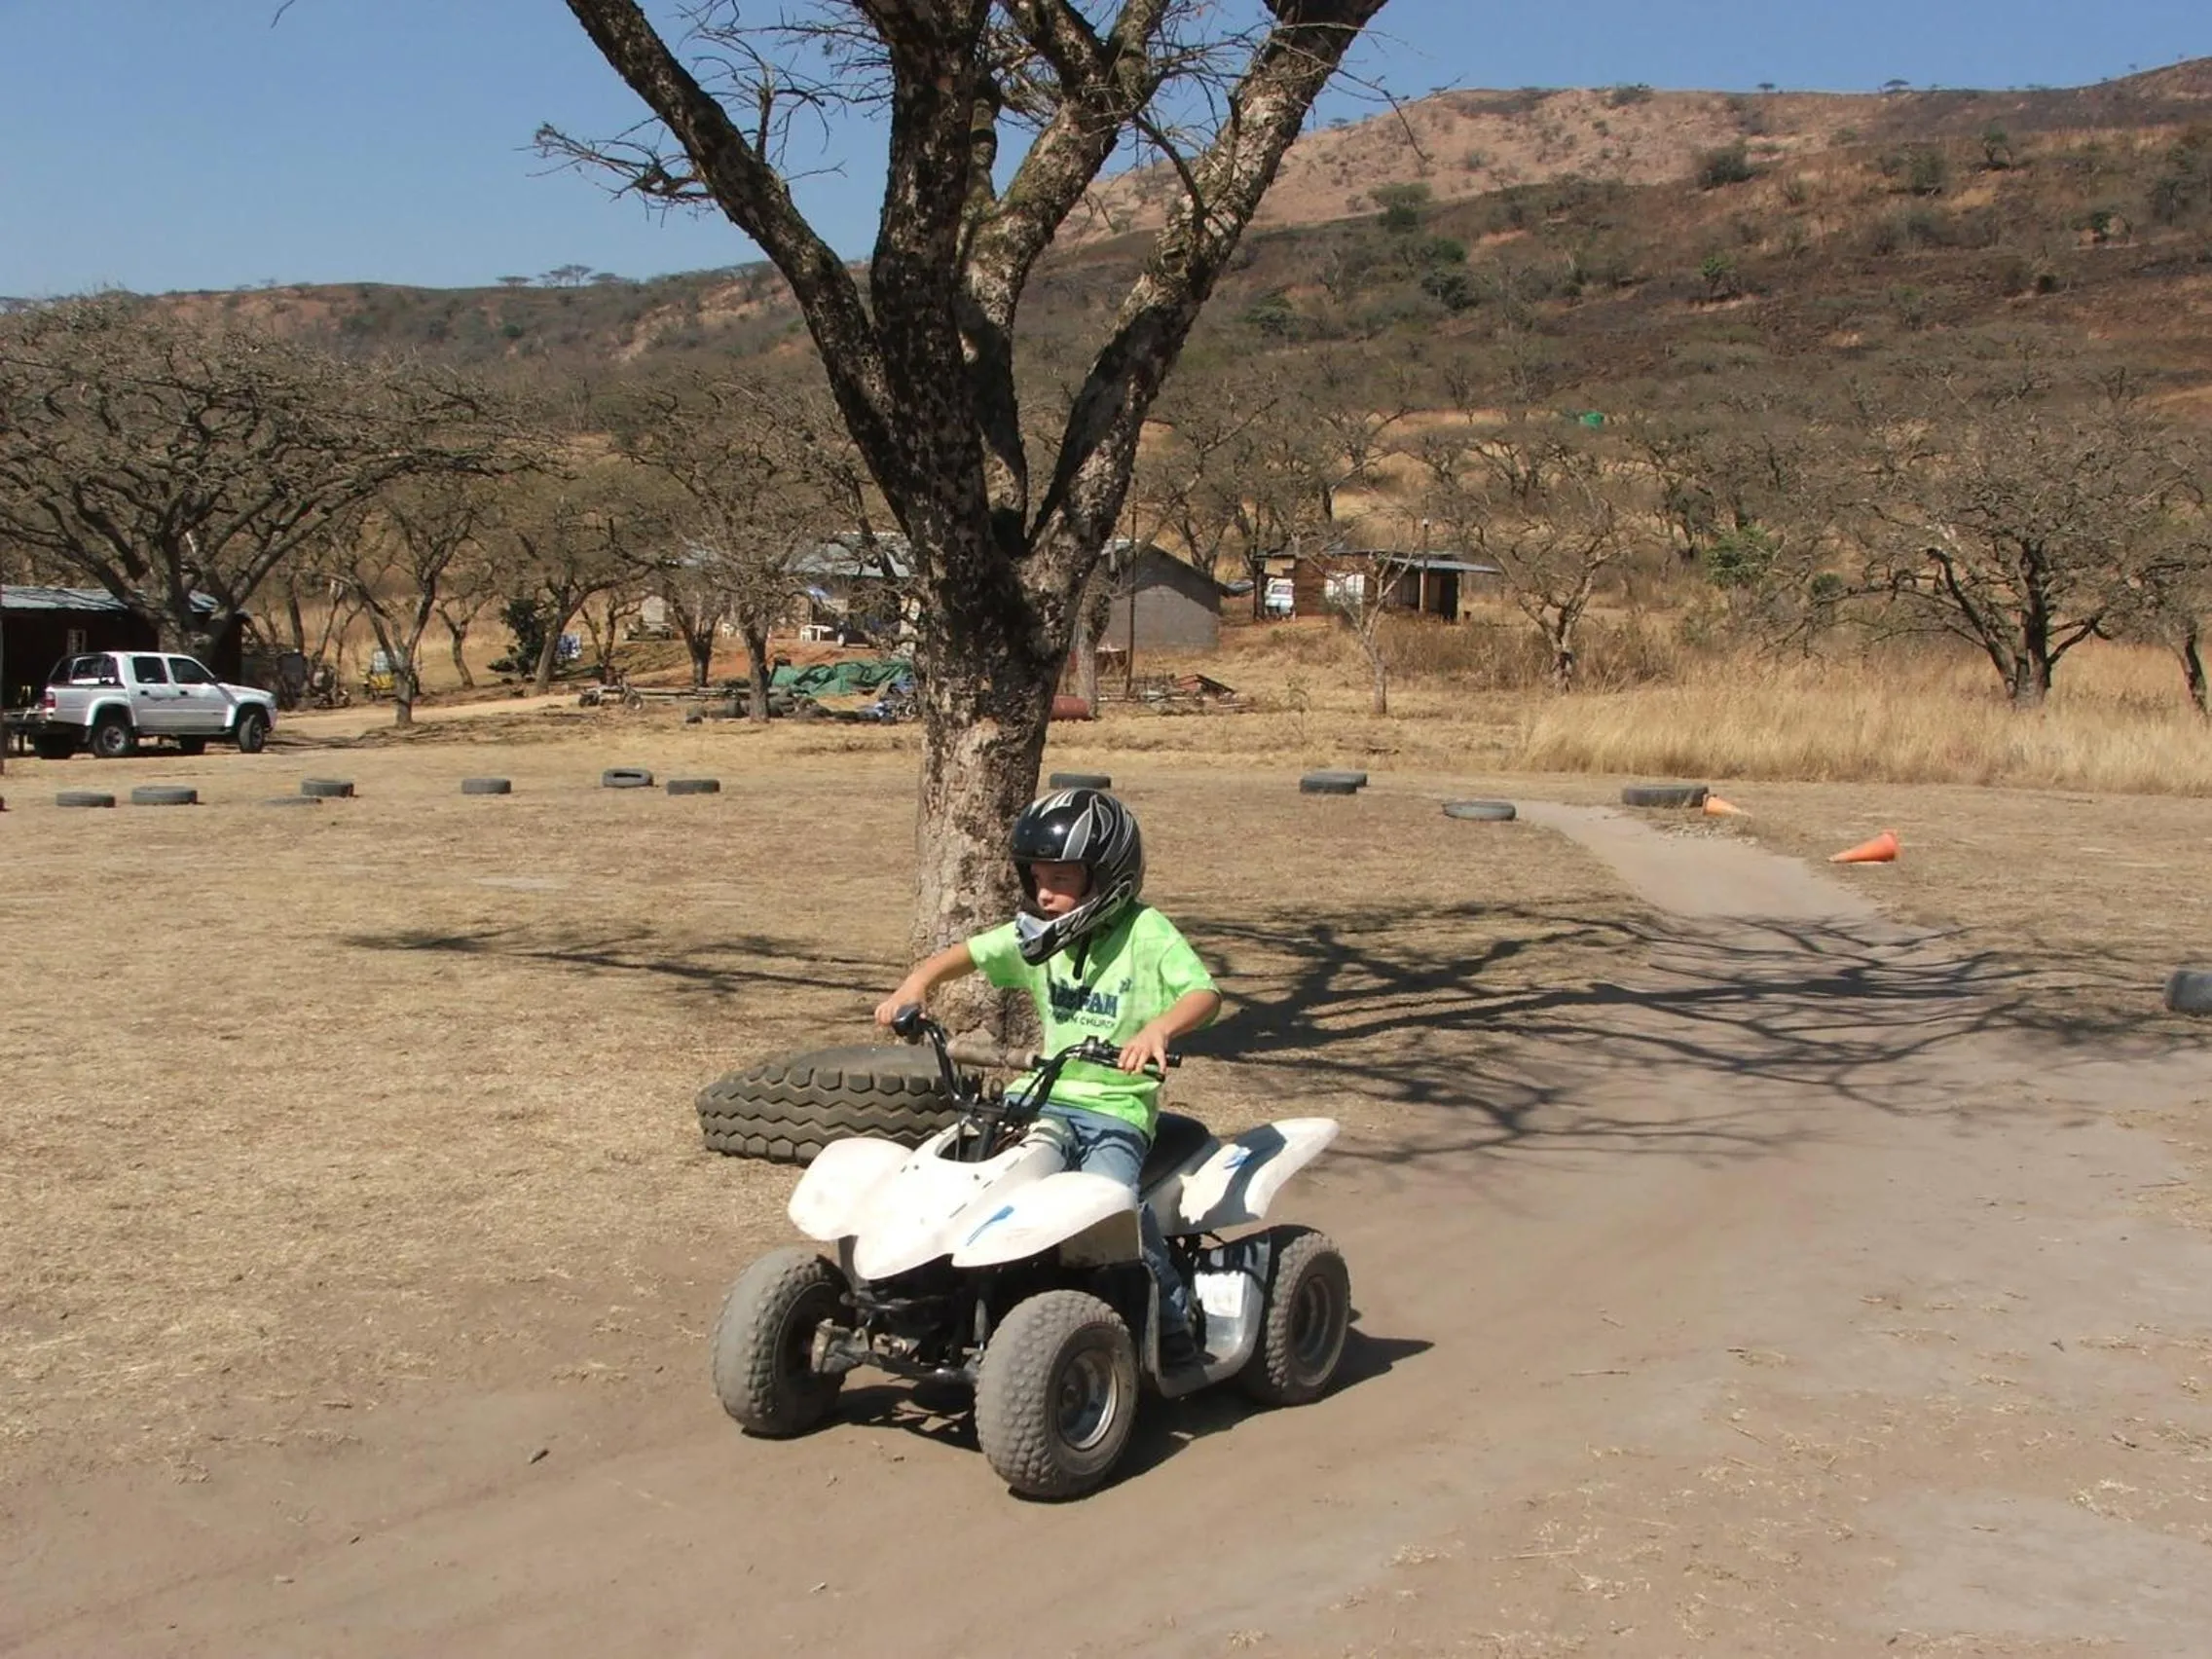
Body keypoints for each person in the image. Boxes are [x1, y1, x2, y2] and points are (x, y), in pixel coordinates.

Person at [874, 788, 1222, 1369]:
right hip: (1037, 1100)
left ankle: (1175, 1322)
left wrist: (1159, 1029)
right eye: (1036, 877)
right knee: (960, 1182)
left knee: (1115, 1212)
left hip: (1113, 1110)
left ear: (1106, 876)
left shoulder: (1147, 932)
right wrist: (917, 983)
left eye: (1061, 878)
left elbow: (1204, 994)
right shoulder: (1038, 938)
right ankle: (935, 1296)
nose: (1044, 893)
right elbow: (970, 952)